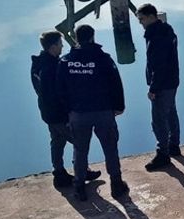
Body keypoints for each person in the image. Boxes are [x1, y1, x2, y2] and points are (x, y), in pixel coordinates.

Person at [59, 24, 128, 201]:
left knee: (80, 150)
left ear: (75, 38)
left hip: (78, 113)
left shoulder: (66, 61)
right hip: (103, 111)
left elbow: (60, 90)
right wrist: (119, 106)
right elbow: (115, 83)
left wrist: (67, 111)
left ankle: (79, 187)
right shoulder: (103, 59)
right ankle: (116, 184)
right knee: (110, 148)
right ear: (92, 37)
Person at [30, 31, 99, 189]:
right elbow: (60, 93)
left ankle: (59, 173)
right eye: (60, 44)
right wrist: (69, 113)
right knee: (79, 141)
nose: (62, 46)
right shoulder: (53, 67)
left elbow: (40, 90)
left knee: (57, 142)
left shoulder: (38, 64)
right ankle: (82, 171)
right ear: (53, 47)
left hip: (47, 113)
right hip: (59, 115)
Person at [135, 4, 181, 171]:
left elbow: (158, 65)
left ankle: (163, 154)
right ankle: (174, 145)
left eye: (142, 19)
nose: (140, 23)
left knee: (158, 120)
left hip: (162, 84)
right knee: (171, 113)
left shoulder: (156, 36)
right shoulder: (167, 30)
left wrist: (153, 89)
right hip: (172, 81)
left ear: (152, 17)